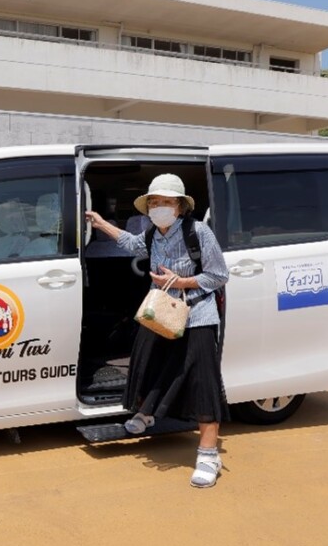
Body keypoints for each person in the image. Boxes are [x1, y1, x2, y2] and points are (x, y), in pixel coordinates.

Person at [85, 173, 230, 488]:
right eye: (154, 202)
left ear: (179, 206)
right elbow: (131, 243)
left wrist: (180, 282)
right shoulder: (152, 233)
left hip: (197, 315)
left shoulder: (198, 232)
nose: (158, 207)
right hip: (161, 314)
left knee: (201, 381)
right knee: (147, 361)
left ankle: (208, 455)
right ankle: (148, 412)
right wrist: (99, 224)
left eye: (165, 202)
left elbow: (219, 275)